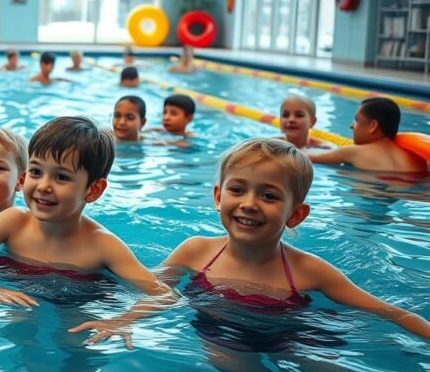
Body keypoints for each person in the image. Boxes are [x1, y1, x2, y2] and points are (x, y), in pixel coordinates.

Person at [80, 138, 430, 349]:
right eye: (237, 190)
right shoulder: (195, 251)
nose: (249, 203)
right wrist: (122, 320)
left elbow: (388, 311)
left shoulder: (310, 271)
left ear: (296, 214)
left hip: (294, 333)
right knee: (230, 363)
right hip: (219, 329)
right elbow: (153, 290)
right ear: (218, 196)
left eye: (268, 195)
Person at [0, 117, 170, 310]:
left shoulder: (102, 245)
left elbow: (164, 295)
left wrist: (122, 321)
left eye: (61, 177)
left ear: (93, 190)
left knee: (75, 344)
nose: (43, 186)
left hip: (78, 301)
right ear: (24, 177)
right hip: (15, 291)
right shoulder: (12, 222)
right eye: (36, 172)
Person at [308, 97, 426, 172]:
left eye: (357, 120)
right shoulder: (416, 159)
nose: (352, 126)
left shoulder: (353, 152)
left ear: (372, 126)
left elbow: (306, 157)